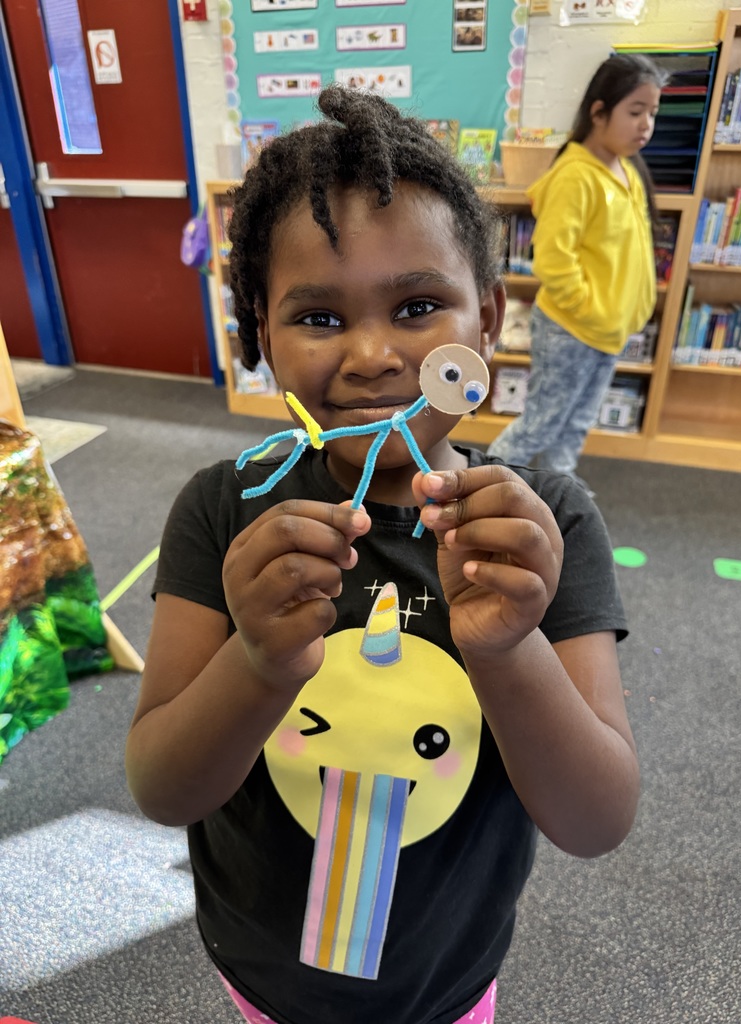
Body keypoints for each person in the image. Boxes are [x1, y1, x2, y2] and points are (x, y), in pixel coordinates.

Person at [125, 85, 639, 1024]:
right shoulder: (224, 508)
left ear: (485, 320)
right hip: (263, 975)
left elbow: (596, 819)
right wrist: (258, 661)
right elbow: (164, 787)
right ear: (259, 338)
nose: (370, 354)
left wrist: (505, 647)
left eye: (417, 306)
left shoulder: (540, 523)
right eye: (317, 318)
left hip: (448, 985)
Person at [487, 54, 666, 486]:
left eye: (653, 114)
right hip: (573, 329)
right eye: (635, 111)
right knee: (543, 421)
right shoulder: (575, 176)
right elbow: (554, 261)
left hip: (608, 330)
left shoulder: (627, 168)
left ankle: (560, 485)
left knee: (579, 419)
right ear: (599, 112)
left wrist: (624, 314)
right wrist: (590, 309)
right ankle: (484, 480)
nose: (646, 125)